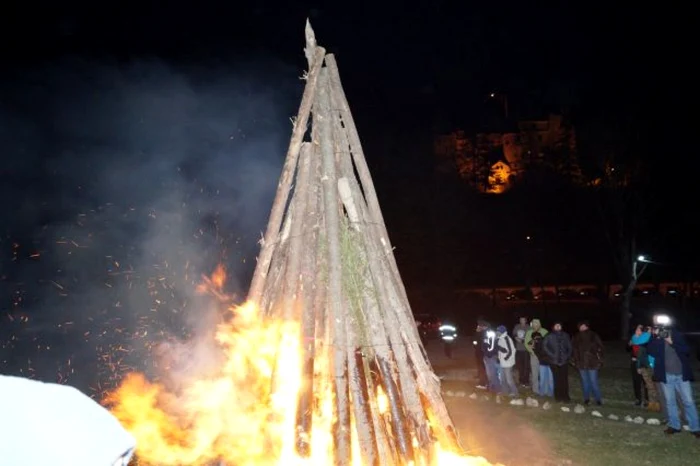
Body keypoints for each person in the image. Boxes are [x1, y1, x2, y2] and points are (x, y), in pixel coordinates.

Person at [647, 326, 700, 437]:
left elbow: (686, 350)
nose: (663, 333)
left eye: (664, 330)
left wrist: (671, 341)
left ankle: (695, 428)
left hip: (681, 375)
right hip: (666, 376)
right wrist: (654, 337)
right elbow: (650, 351)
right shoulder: (657, 339)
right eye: (660, 330)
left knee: (688, 401)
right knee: (670, 402)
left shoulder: (677, 335)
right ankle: (675, 426)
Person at [571, 320, 604, 406]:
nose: (582, 327)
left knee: (593, 381)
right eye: (580, 326)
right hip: (581, 363)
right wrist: (575, 361)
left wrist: (598, 358)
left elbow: (600, 347)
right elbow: (574, 350)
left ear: (587, 326)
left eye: (584, 325)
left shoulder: (593, 335)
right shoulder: (576, 336)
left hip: (592, 362)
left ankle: (598, 399)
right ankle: (586, 399)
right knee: (585, 382)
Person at [631, 326, 662, 413]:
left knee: (655, 386)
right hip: (646, 366)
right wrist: (638, 366)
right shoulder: (644, 339)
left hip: (653, 366)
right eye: (649, 329)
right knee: (650, 386)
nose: (651, 331)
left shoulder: (654, 340)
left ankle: (657, 404)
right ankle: (653, 404)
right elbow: (639, 355)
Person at [543, 321, 572, 403]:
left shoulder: (566, 335)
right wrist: (552, 355)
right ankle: (558, 397)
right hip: (554, 362)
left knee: (564, 380)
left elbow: (569, 347)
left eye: (559, 325)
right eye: (556, 325)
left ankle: (565, 397)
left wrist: (567, 356)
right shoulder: (549, 335)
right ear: (553, 327)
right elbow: (544, 346)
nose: (558, 327)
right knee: (557, 379)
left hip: (564, 361)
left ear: (561, 327)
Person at [525, 319, 548, 395]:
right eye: (534, 324)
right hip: (534, 356)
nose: (535, 325)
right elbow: (526, 344)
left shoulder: (544, 331)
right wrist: (532, 352)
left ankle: (544, 389)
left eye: (537, 324)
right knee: (534, 373)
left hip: (543, 357)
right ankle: (535, 390)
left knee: (543, 373)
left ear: (539, 324)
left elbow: (548, 343)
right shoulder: (529, 332)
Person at [628, 324, 649, 406]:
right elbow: (627, 349)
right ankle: (638, 399)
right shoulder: (633, 338)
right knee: (636, 381)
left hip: (643, 363)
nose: (637, 331)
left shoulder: (645, 339)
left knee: (645, 382)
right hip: (634, 362)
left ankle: (647, 399)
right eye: (636, 329)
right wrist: (629, 344)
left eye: (639, 329)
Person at [496, 325, 519, 397]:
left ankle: (515, 393)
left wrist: (505, 358)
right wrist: (499, 358)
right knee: (502, 379)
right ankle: (505, 392)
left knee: (509, 379)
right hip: (502, 362)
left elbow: (512, 351)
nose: (497, 332)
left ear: (502, 332)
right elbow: (501, 350)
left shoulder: (507, 339)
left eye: (498, 331)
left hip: (508, 363)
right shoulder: (500, 338)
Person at [532, 326, 553, 397]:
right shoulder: (538, 342)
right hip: (543, 363)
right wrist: (539, 357)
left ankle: (551, 393)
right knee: (543, 378)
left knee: (550, 379)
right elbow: (537, 352)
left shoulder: (549, 341)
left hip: (550, 363)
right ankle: (542, 393)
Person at [480, 322, 502, 394]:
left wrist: (488, 354)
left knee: (492, 373)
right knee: (490, 374)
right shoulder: (487, 333)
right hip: (489, 355)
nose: (480, 327)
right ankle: (492, 388)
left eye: (481, 326)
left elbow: (491, 345)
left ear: (484, 326)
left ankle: (497, 390)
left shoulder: (489, 333)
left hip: (490, 356)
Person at [512, 316, 531, 386]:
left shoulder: (529, 327)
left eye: (523, 320)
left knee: (526, 366)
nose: (521, 321)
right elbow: (513, 334)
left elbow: (530, 337)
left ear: (526, 320)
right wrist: (515, 337)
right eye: (520, 320)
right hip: (518, 349)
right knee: (520, 366)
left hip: (526, 349)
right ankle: (521, 380)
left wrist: (522, 340)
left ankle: (526, 381)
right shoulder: (517, 326)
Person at [473, 320, 489, 389]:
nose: (478, 327)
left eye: (479, 326)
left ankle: (483, 384)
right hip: (478, 352)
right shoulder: (480, 333)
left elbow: (483, 344)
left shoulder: (485, 333)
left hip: (482, 353)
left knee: (482, 368)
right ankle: (482, 380)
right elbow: (475, 341)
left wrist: (478, 333)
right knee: (481, 368)